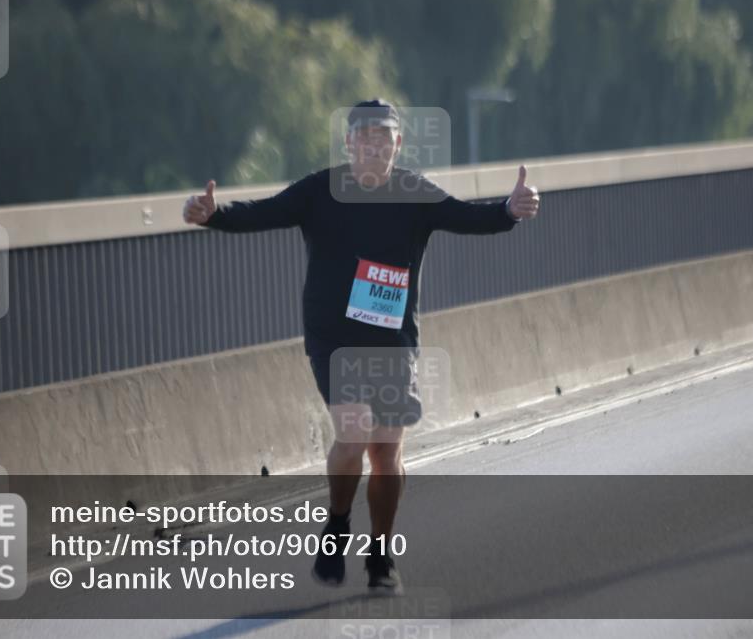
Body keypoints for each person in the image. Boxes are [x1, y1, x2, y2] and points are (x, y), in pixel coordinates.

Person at [183, 99, 540, 595]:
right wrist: (213, 215)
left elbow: (468, 218)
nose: (374, 145)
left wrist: (509, 210)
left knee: (386, 449)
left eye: (384, 137)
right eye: (364, 137)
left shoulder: (413, 193)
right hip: (333, 338)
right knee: (352, 436)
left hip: (393, 341)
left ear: (398, 144)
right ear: (349, 144)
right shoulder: (320, 191)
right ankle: (337, 523)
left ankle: (380, 551)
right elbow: (263, 213)